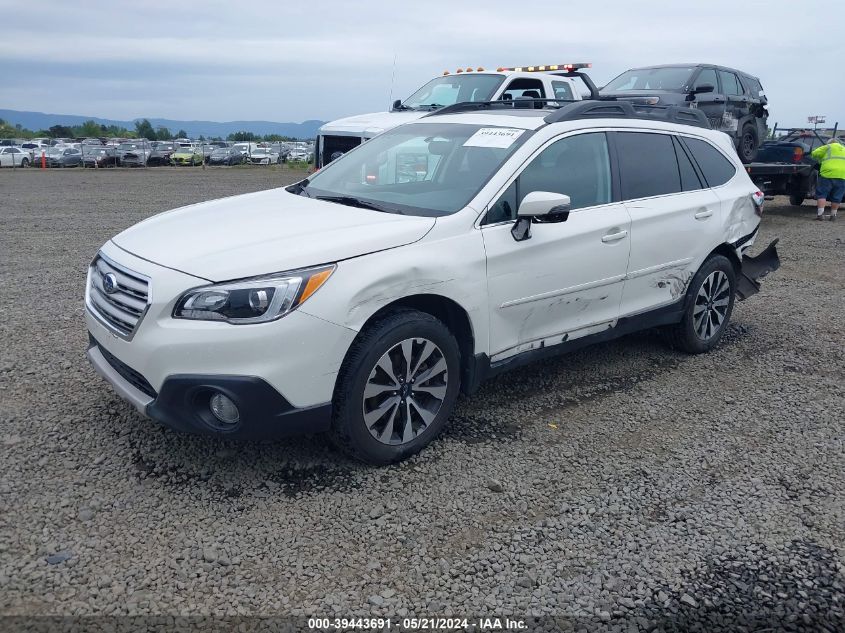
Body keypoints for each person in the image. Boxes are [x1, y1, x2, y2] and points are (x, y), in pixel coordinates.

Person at [811, 137, 845, 221]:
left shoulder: (828, 147)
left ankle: (820, 215)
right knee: (837, 196)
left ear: (829, 143)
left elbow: (814, 154)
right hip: (842, 175)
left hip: (827, 174)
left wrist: (821, 158)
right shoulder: (844, 148)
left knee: (822, 194)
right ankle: (833, 216)